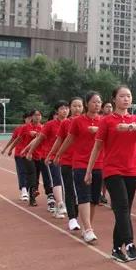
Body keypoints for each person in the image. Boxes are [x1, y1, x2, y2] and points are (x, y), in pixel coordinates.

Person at [85, 86, 136, 262]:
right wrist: (89, 170)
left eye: (128, 96)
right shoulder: (107, 121)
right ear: (114, 99)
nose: (126, 99)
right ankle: (130, 244)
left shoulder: (135, 119)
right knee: (122, 207)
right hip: (112, 170)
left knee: (123, 210)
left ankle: (116, 248)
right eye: (122, 96)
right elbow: (97, 147)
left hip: (132, 170)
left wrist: (130, 126)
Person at [55, 92, 104, 243]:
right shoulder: (78, 121)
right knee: (84, 195)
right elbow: (69, 139)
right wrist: (58, 154)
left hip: (99, 163)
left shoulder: (104, 121)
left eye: (99, 102)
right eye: (94, 102)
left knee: (94, 199)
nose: (97, 104)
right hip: (81, 163)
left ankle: (86, 227)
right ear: (87, 104)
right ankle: (88, 229)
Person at [25, 101, 70, 217]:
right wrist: (29, 151)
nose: (65, 111)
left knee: (66, 182)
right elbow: (39, 139)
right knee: (56, 179)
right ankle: (60, 203)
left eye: (66, 108)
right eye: (62, 108)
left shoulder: (71, 123)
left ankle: (58, 207)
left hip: (67, 157)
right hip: (51, 157)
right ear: (57, 111)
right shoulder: (50, 125)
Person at [47, 97, 84, 231]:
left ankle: (78, 215)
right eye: (74, 106)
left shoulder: (86, 122)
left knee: (81, 191)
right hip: (67, 161)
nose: (77, 109)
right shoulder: (66, 123)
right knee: (69, 189)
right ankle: (72, 218)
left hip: (83, 161)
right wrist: (52, 154)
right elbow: (59, 141)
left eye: (79, 106)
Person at [0, 112, 37, 202]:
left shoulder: (37, 127)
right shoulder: (20, 128)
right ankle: (24, 191)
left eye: (31, 118)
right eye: (28, 118)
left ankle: (28, 191)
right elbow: (15, 139)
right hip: (20, 154)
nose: (30, 120)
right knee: (22, 171)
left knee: (30, 173)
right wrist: (8, 149)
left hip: (32, 154)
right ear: (24, 119)